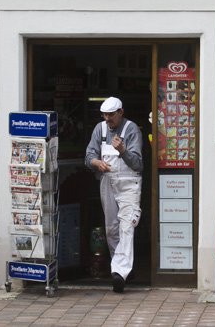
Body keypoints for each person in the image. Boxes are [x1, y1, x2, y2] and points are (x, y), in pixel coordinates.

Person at [85, 96, 143, 293]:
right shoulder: (99, 129)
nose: (107, 119)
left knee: (127, 225)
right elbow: (89, 155)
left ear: (121, 112)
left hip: (129, 183)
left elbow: (137, 163)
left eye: (111, 115)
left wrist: (123, 150)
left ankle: (119, 272)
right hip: (108, 182)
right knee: (111, 228)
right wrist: (97, 163)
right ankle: (124, 270)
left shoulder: (132, 130)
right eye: (104, 115)